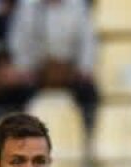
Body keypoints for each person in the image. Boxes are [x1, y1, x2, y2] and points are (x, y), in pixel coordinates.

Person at [7, 0, 99, 128]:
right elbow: (17, 41)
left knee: (88, 92)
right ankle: (18, 132)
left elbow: (88, 41)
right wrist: (24, 69)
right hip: (37, 71)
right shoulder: (26, 7)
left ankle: (89, 133)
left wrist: (83, 69)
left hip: (69, 70)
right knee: (14, 93)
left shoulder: (77, 6)